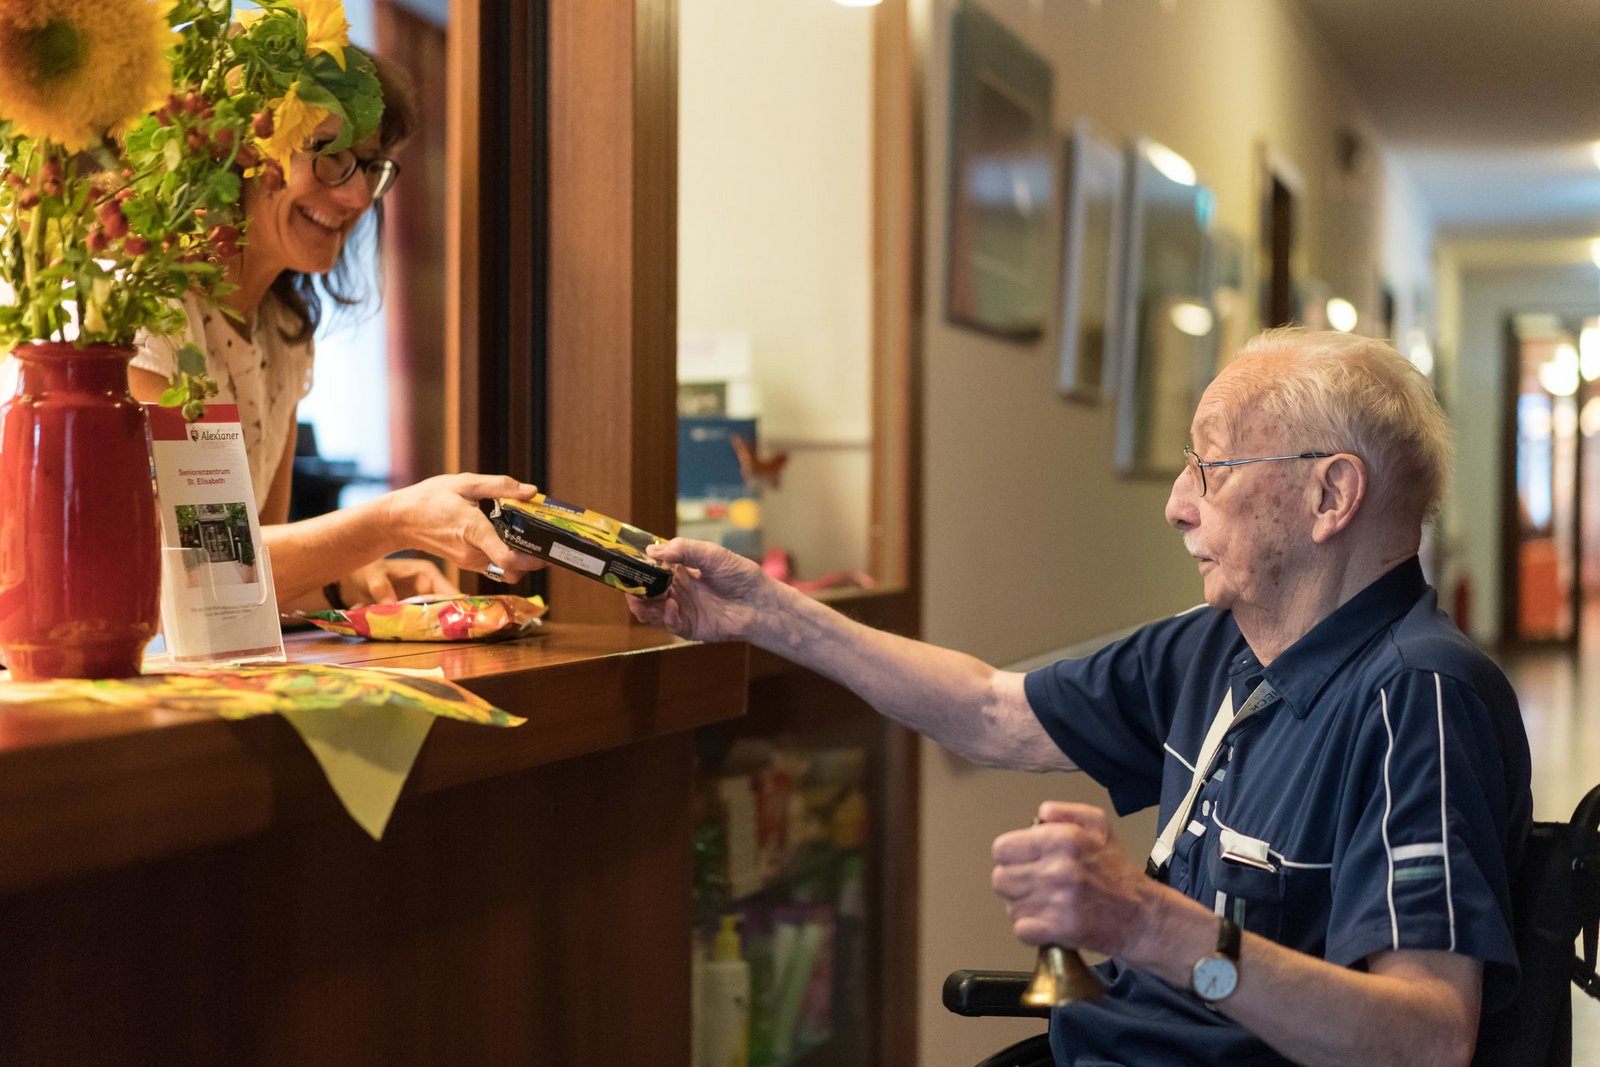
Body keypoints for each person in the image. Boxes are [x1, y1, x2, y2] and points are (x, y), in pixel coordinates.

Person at [630, 328, 1533, 1066]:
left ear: (1330, 492)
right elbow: (989, 709)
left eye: (1210, 467)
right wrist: (765, 613)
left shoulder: (1418, 696)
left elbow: (1425, 1038)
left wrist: (1149, 923)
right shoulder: (1221, 643)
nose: (1178, 503)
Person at [128, 50, 540, 611]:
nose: (355, 196)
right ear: (237, 152)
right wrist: (393, 523)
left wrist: (340, 580)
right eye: (328, 156)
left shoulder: (281, 332)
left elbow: (239, 583)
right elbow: (169, 567)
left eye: (370, 166)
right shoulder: (147, 311)